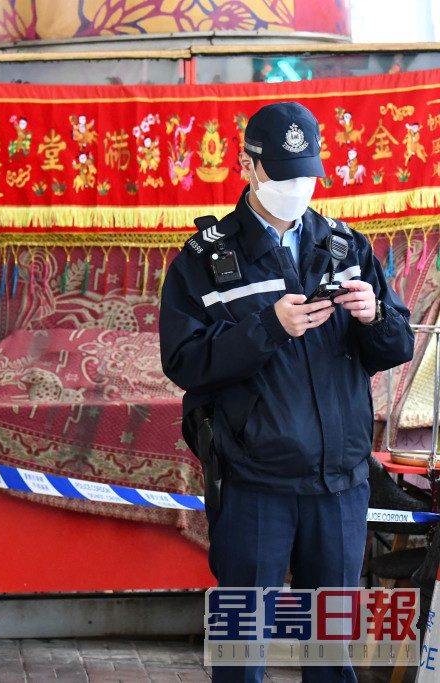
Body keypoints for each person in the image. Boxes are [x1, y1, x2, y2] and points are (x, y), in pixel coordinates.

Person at [159, 101, 414, 682]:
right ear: (248, 166)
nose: (296, 188)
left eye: (306, 175)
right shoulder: (206, 259)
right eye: (282, 174)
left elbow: (394, 347)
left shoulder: (345, 247)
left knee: (330, 651)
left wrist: (376, 316)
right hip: (254, 484)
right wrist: (268, 327)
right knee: (241, 652)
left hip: (340, 484)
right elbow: (184, 361)